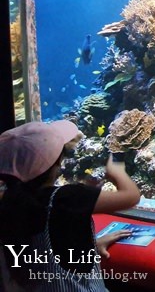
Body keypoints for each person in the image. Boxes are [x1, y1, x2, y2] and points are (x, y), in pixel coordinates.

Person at [0, 120, 141, 291]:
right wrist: (116, 171)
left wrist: (91, 246)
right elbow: (130, 197)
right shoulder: (67, 198)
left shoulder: (9, 201)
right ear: (56, 163)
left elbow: (41, 251)